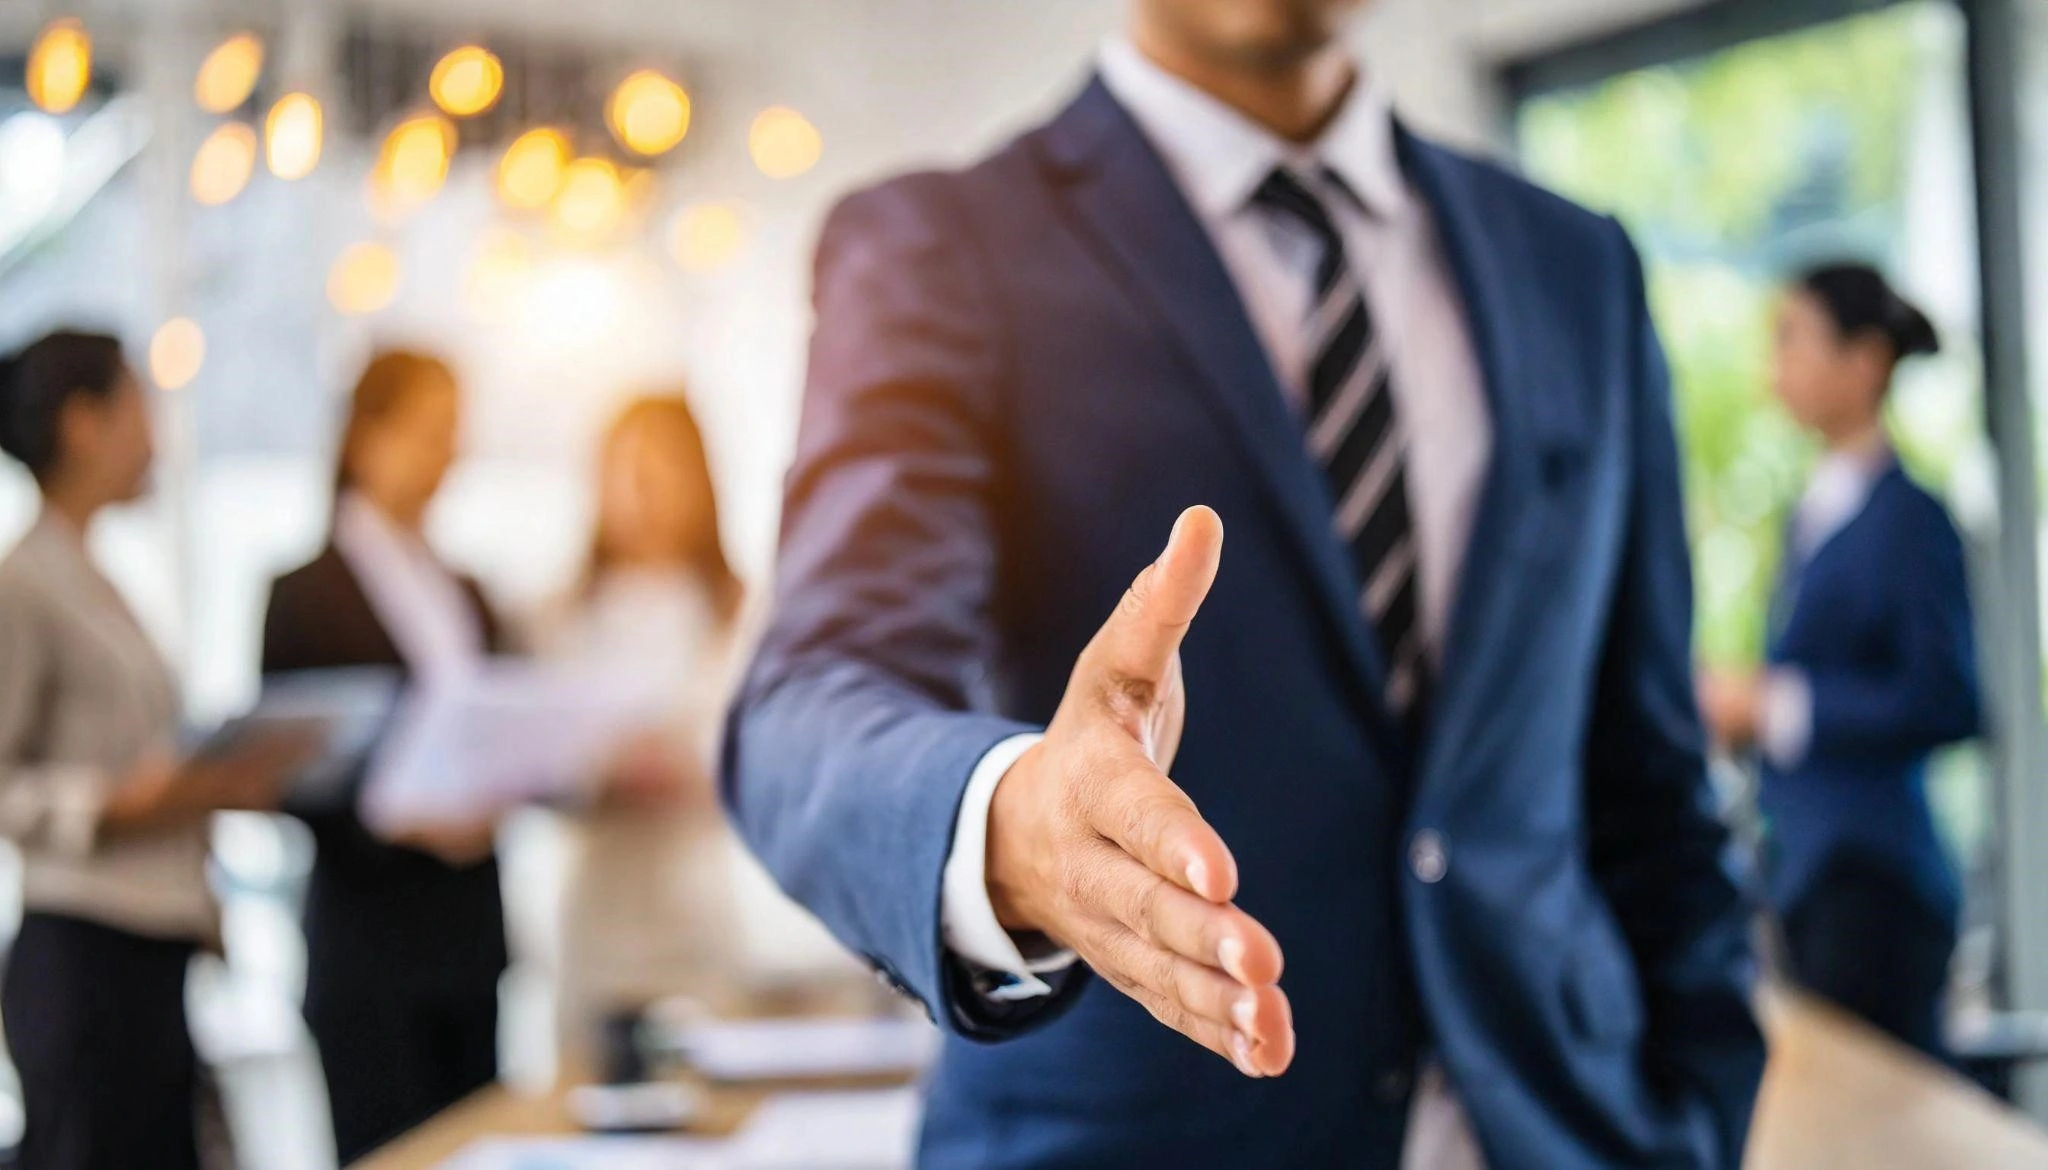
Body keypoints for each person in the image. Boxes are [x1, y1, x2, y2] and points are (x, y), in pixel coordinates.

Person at [723, 1, 1765, 1166]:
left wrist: (1699, 1114)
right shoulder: (941, 247)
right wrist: (1017, 827)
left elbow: (1648, 773)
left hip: (1562, 1131)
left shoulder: (1573, 266)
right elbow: (808, 701)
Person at [0, 330, 307, 1170]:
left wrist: (212, 783)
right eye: (140, 406)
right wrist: (114, 803)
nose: (157, 435)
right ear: (82, 423)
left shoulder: (96, 574)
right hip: (83, 950)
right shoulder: (22, 583)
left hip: (150, 948)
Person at [1698, 263, 1979, 1059]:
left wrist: (1777, 705)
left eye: (1794, 340)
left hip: (1874, 882)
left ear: (1865, 363)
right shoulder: (1812, 507)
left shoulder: (1911, 518)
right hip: (1807, 873)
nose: (1776, 365)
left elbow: (1948, 696)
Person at [261, 350, 509, 1162]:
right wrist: (397, 820)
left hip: (467, 935)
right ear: (366, 435)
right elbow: (285, 769)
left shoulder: (467, 589)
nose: (446, 455)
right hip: (370, 943)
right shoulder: (303, 593)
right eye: (429, 432)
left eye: (454, 434)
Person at [526, 394, 749, 1061]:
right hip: (597, 911)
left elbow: (769, 755)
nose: (644, 491)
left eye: (662, 469)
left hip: (703, 902)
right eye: (627, 470)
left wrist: (689, 768)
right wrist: (596, 770)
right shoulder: (552, 612)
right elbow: (525, 754)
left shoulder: (745, 611)